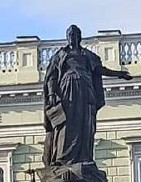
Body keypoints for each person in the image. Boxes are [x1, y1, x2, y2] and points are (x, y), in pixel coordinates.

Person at [43, 24, 132, 167]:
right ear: (67, 37)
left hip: (85, 91)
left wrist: (119, 74)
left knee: (84, 123)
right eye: (70, 35)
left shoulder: (87, 55)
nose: (72, 37)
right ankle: (62, 157)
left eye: (74, 35)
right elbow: (52, 76)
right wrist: (52, 93)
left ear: (79, 37)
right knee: (66, 123)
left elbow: (99, 70)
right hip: (67, 91)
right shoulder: (60, 55)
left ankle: (84, 156)